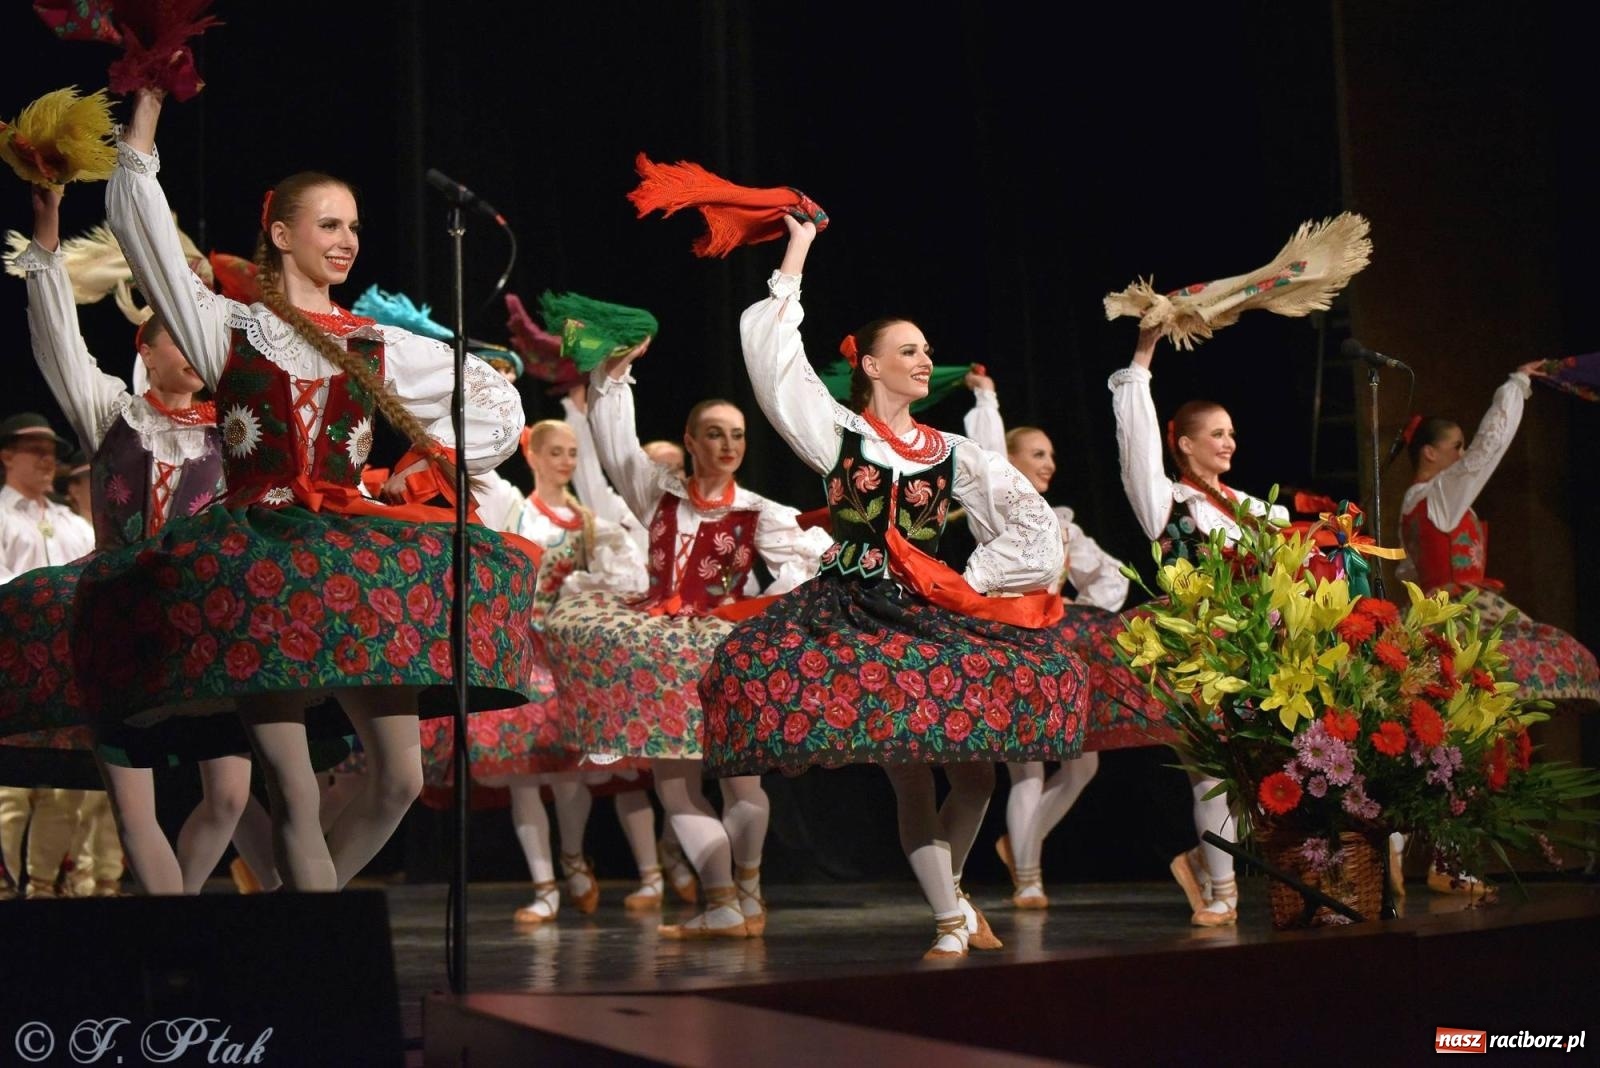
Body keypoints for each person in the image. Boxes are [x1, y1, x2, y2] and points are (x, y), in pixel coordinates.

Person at [89, 86, 534, 892]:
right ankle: (314, 953)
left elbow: (495, 396)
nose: (348, 240)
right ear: (282, 233)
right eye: (330, 224)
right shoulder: (224, 326)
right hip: (259, 563)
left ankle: (295, 924)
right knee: (293, 789)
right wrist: (145, 118)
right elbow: (141, 229)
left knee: (399, 779)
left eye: (355, 227)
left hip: (349, 554)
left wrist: (425, 465)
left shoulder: (375, 342)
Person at [700, 216, 1090, 958]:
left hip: (931, 612)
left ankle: (954, 893)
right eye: (907, 351)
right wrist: (799, 249)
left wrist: (969, 578)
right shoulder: (840, 434)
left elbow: (1034, 525)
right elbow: (776, 363)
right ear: (871, 367)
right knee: (913, 776)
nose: (923, 360)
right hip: (858, 611)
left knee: (976, 772)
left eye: (926, 351)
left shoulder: (957, 453)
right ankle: (947, 918)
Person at [11, 182, 266, 895]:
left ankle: (167, 921)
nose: (191, 351)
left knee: (229, 798)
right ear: (145, 352)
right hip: (120, 621)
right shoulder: (110, 415)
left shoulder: (234, 428)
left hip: (206, 625)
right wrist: (47, 234)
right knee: (133, 808)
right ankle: (170, 932)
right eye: (174, 338)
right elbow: (57, 337)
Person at [543, 339, 829, 940]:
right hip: (662, 649)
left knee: (740, 780)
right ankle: (728, 900)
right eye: (715, 434)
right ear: (691, 441)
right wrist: (613, 376)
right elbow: (617, 449)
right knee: (677, 785)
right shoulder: (659, 493)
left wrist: (766, 609)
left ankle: (742, 895)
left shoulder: (759, 510)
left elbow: (815, 557)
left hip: (725, 649)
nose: (728, 445)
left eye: (738, 435)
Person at [419, 418, 646, 923]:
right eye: (557, 452)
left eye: (572, 452)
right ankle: (545, 885)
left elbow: (626, 580)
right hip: (520, 654)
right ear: (534, 455)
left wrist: (587, 591)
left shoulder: (591, 524)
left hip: (564, 658)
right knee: (520, 775)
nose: (566, 460)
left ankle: (571, 858)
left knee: (566, 777)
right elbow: (467, 468)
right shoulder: (514, 507)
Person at [1396, 365, 1600, 896]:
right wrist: (1515, 386)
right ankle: (1451, 861)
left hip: (1432, 613)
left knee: (1454, 739)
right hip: (1462, 617)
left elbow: (1409, 571)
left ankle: (1445, 859)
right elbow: (1491, 447)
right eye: (1454, 446)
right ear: (1431, 453)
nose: (1463, 455)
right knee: (1474, 733)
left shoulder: (1411, 504)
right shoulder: (1441, 493)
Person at [1109, 326, 1288, 927]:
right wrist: (1142, 359)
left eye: (1232, 433)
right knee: (1211, 772)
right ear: (1183, 445)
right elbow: (1135, 443)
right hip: (1193, 647)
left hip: (1255, 649)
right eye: (1217, 434)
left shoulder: (1258, 511)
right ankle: (1224, 894)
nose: (1230, 442)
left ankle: (1209, 866)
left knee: (1253, 774)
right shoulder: (1166, 500)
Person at [962, 374, 1164, 909]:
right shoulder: (999, 514)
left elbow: (1110, 580)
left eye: (1051, 454)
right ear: (1008, 460)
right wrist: (987, 397)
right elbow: (983, 449)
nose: (1048, 463)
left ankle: (1021, 847)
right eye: (1036, 454)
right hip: (1011, 643)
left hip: (1056, 646)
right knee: (1027, 766)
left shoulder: (1062, 525)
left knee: (1084, 762)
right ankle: (1028, 878)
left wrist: (1075, 603)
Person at [0, 410, 95, 898]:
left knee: (65, 786)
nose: (47, 460)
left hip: (64, 660)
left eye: (52, 452)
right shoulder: (1, 515)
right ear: (7, 455)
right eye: (35, 450)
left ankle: (41, 888)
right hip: (13, 655)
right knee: (14, 789)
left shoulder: (69, 522)